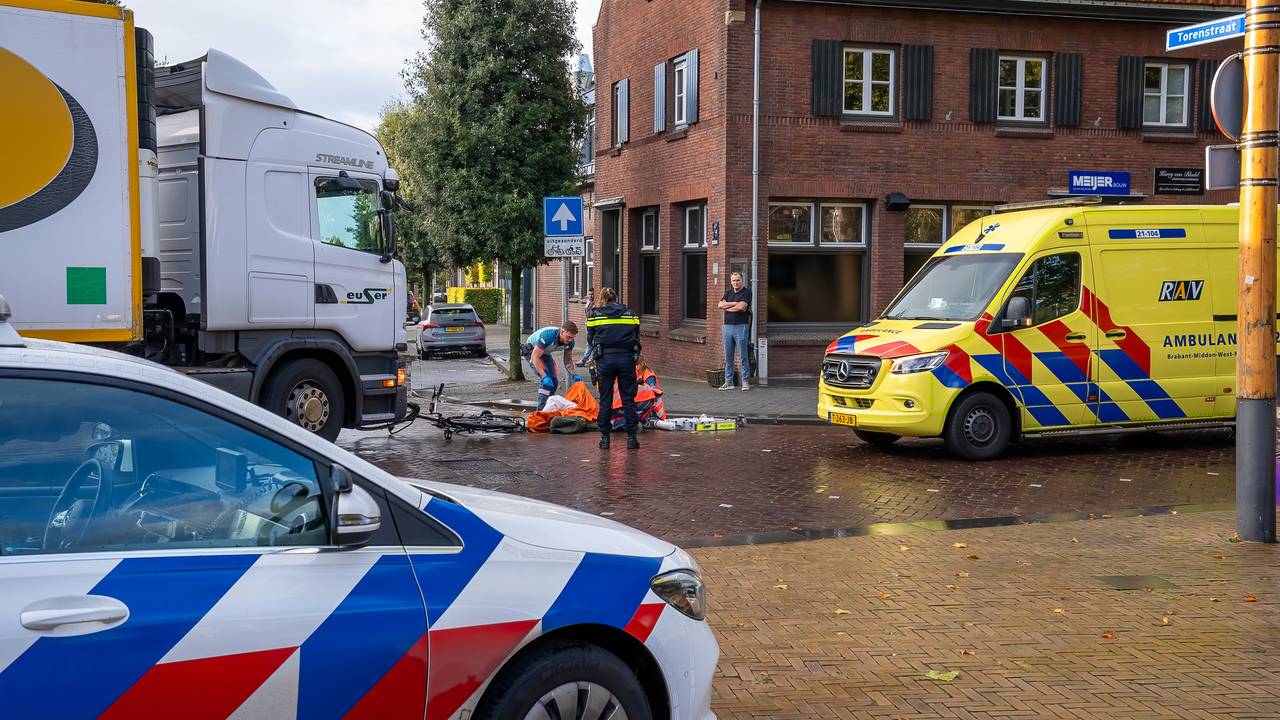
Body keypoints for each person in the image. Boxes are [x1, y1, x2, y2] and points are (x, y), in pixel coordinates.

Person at [586, 287, 641, 449]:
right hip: (626, 359)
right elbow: (636, 335)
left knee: (605, 400)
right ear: (616, 298)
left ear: (602, 298)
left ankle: (605, 438)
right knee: (628, 400)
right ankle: (631, 438)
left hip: (605, 360)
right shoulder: (630, 314)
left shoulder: (595, 315)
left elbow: (590, 339)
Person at [522, 321, 580, 410]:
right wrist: (544, 376)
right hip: (532, 351)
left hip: (545, 353)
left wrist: (574, 374)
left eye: (572, 338)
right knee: (546, 379)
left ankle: (549, 407)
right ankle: (541, 411)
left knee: (554, 382)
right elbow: (535, 357)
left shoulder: (571, 343)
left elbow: (567, 360)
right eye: (568, 337)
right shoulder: (548, 336)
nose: (570, 340)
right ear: (562, 332)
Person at [718, 271, 752, 391]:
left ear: (742, 280)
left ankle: (745, 381)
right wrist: (734, 304)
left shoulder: (747, 292)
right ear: (731, 282)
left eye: (738, 280)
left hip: (741, 326)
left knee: (743, 355)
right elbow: (720, 305)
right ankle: (729, 382)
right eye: (733, 280)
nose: (736, 282)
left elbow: (742, 307)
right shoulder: (728, 293)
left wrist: (728, 307)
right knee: (728, 356)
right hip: (727, 327)